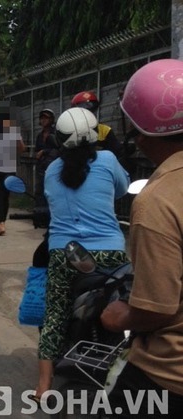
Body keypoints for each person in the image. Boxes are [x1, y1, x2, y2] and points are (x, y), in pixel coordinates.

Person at [100, 58, 183, 416]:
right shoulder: (111, 166)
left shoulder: (157, 200)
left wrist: (121, 316)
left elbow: (156, 308)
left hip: (168, 375)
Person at [35, 107, 129, 400]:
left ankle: (43, 386)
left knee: (54, 314)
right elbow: (122, 190)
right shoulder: (108, 159)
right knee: (127, 306)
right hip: (110, 254)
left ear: (59, 140)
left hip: (66, 254)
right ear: (93, 135)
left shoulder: (51, 170)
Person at [71, 91, 123, 158]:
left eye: (91, 110)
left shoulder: (105, 130)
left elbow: (117, 153)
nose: (89, 113)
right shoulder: (69, 130)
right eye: (85, 110)